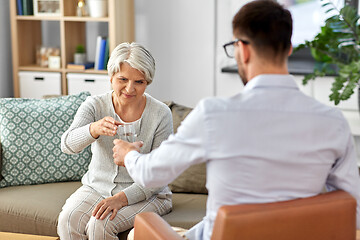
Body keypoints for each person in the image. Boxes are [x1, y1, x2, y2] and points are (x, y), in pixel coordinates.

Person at [113, 1, 360, 240]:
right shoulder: (333, 122)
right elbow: (354, 211)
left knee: (139, 230)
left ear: (243, 49)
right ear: (289, 49)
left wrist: (128, 155)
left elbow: (152, 174)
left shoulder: (214, 115)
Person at [57, 42, 173, 240]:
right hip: (96, 187)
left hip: (149, 193)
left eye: (139, 82)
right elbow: (67, 145)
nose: (130, 88)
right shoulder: (94, 106)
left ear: (148, 82)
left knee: (99, 226)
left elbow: (159, 174)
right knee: (68, 221)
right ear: (111, 77)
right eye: (123, 79)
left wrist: (121, 198)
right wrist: (93, 129)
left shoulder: (161, 113)